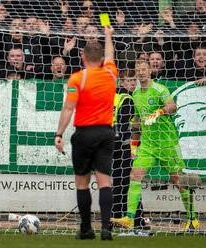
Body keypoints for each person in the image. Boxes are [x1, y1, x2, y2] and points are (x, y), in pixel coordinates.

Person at [111, 60, 200, 232]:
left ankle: (192, 218)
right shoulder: (135, 94)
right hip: (148, 145)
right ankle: (129, 218)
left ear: (150, 71)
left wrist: (159, 112)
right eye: (138, 71)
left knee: (178, 180)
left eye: (144, 70)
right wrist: (133, 144)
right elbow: (137, 121)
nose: (141, 73)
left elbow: (172, 106)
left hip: (167, 143)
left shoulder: (160, 89)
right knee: (135, 176)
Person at [54, 26, 117, 240]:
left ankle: (87, 229)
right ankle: (106, 228)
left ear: (82, 56)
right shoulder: (110, 73)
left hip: (84, 134)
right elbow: (110, 54)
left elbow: (69, 108)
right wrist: (108, 35)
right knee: (105, 182)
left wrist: (59, 133)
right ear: (101, 58)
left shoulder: (77, 79)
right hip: (106, 133)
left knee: (82, 182)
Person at [112, 69, 147, 229]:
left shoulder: (115, 96)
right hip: (121, 146)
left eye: (134, 80)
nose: (133, 83)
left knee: (119, 183)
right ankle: (137, 220)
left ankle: (116, 217)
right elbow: (125, 126)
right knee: (130, 182)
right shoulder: (127, 99)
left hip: (109, 145)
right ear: (121, 82)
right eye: (129, 80)